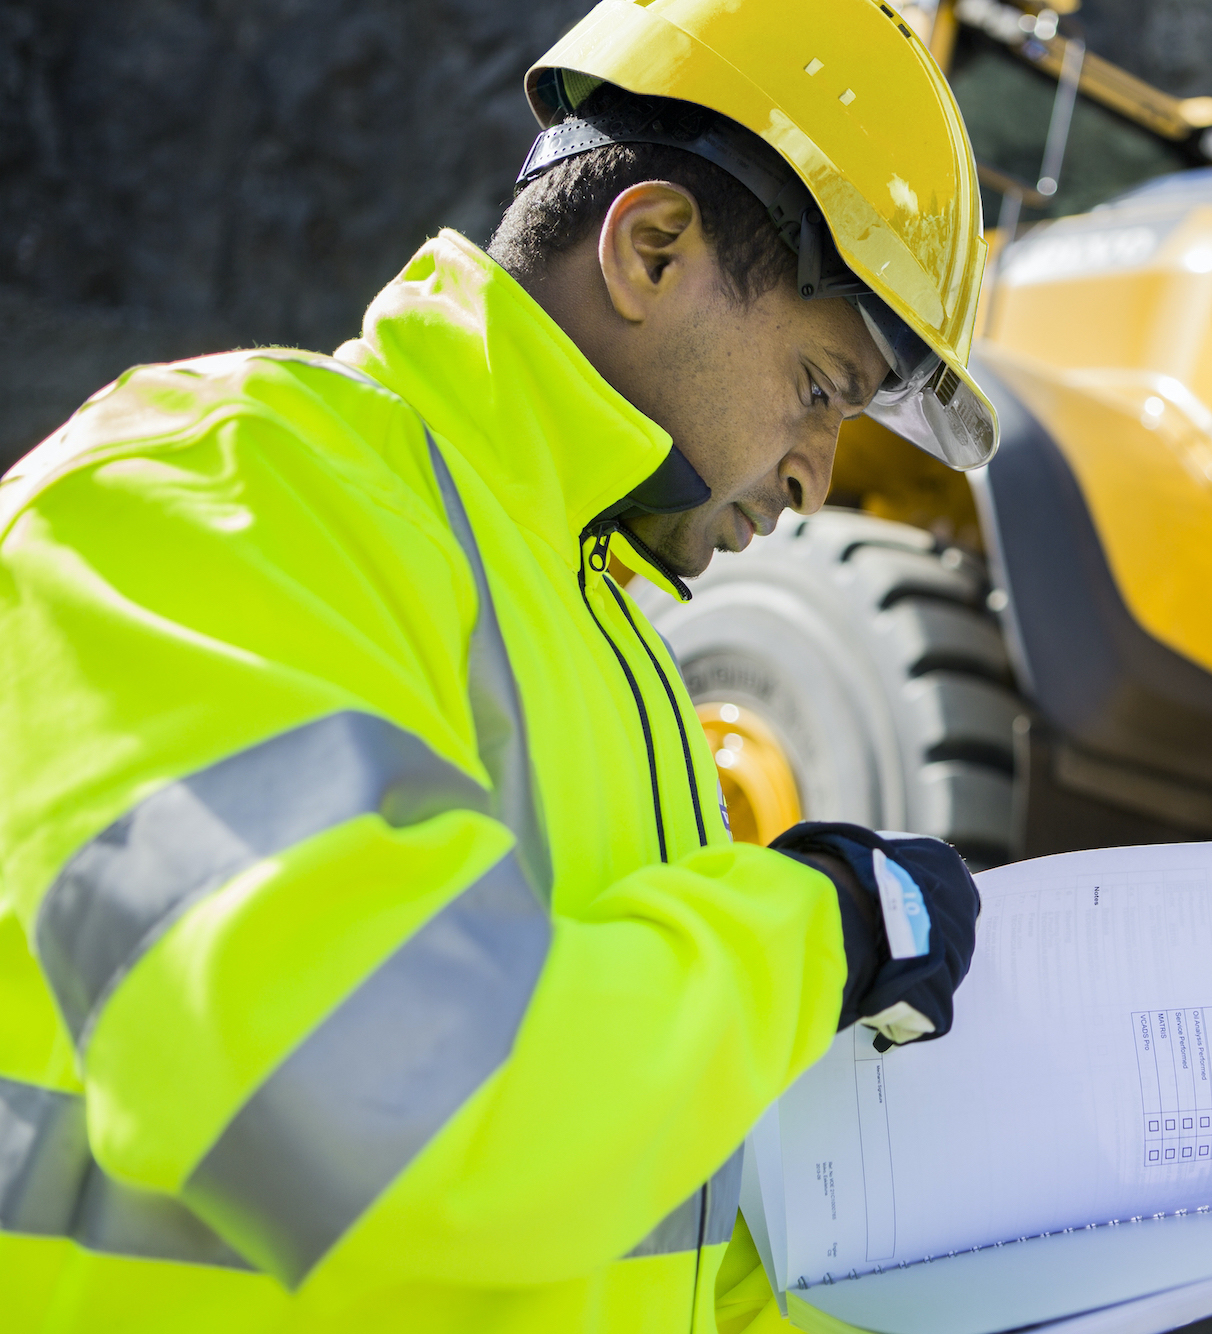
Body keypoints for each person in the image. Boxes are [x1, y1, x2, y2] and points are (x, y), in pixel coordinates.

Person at [0, 1, 996, 1330]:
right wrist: (821, 928)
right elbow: (375, 1108)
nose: (819, 475)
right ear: (651, 249)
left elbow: (659, 1244)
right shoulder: (206, 493)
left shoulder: (608, 648)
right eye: (820, 387)